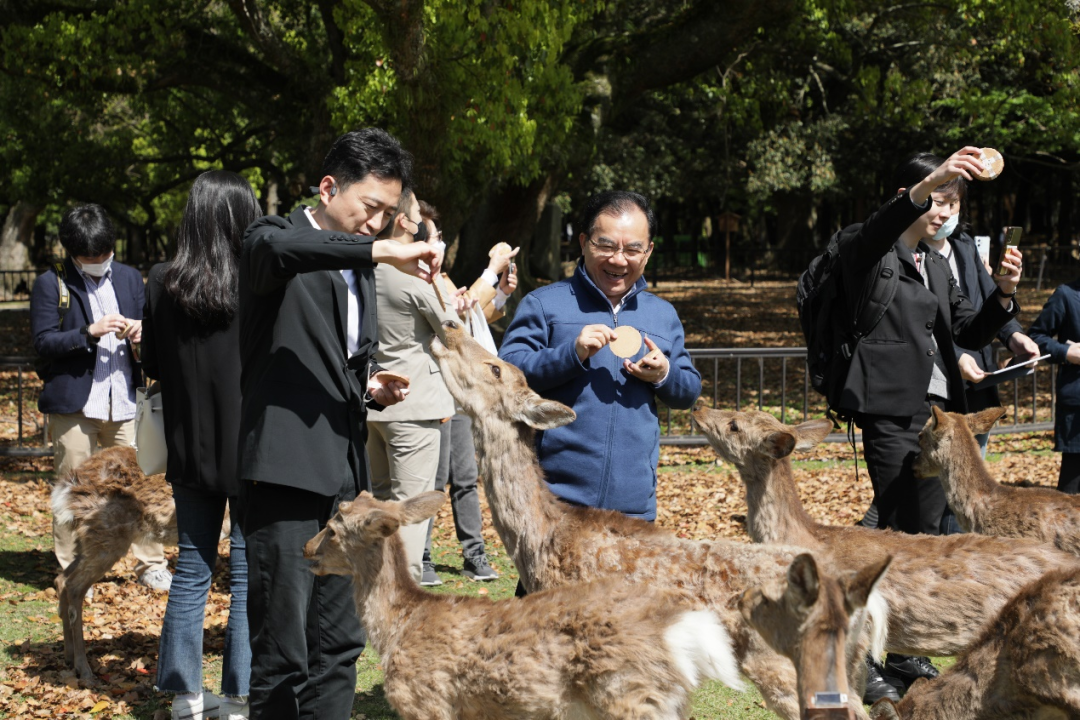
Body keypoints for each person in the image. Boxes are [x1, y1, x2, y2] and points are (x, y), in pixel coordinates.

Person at [238, 128, 441, 720]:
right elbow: (286, 255)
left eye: (386, 214)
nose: (376, 224)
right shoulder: (270, 237)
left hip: (346, 477)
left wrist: (368, 388)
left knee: (341, 644)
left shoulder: (357, 266)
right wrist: (381, 251)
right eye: (369, 208)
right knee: (282, 648)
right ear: (328, 188)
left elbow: (330, 354)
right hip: (282, 472)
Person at [828, 147, 1023, 702]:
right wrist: (933, 180)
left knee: (921, 531)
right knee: (899, 527)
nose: (944, 209)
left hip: (935, 416)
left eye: (953, 200)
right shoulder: (867, 249)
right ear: (906, 197)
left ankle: (905, 653)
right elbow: (883, 224)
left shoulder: (936, 262)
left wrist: (1004, 293)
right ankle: (858, 660)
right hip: (889, 409)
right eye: (935, 198)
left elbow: (965, 328)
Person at [499, 190, 701, 522]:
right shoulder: (545, 304)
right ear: (583, 242)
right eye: (605, 245)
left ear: (648, 252)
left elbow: (688, 391)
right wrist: (570, 354)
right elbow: (507, 371)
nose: (619, 260)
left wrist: (664, 374)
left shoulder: (662, 315)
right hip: (554, 500)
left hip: (633, 505)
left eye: (633, 248)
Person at [142, 171, 260, 720]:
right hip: (253, 447)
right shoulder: (257, 280)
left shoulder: (163, 281)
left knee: (191, 569)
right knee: (245, 571)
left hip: (189, 445)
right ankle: (239, 696)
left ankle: (185, 697)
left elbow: (153, 367)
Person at [31, 204, 172, 593]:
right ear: (71, 253)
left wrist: (143, 332)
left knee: (142, 483)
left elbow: (151, 325)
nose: (97, 262)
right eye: (88, 257)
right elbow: (43, 341)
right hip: (76, 403)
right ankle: (75, 568)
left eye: (103, 254)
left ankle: (152, 563)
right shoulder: (51, 283)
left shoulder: (128, 277)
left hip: (124, 400)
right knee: (74, 486)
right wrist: (87, 332)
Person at [417, 201, 516, 585]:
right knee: (432, 479)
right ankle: (422, 557)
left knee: (465, 476)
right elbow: (453, 321)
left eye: (439, 237)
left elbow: (472, 316)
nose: (440, 245)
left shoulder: (439, 279)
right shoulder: (415, 279)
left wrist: (501, 293)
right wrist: (490, 272)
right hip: (431, 392)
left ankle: (474, 554)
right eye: (435, 238)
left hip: (459, 395)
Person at [365, 190, 460, 584]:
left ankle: (379, 590)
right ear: (404, 221)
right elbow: (452, 332)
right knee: (410, 509)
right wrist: (437, 280)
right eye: (417, 212)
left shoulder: (362, 269)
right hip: (413, 403)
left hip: (370, 400)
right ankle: (406, 592)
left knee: (381, 503)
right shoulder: (407, 275)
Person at [1027, 278, 1080, 494]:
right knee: (1071, 495)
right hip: (1077, 410)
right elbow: (1035, 337)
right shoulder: (1066, 295)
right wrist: (1065, 353)